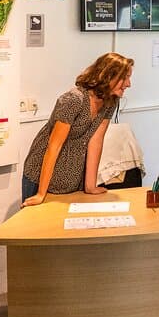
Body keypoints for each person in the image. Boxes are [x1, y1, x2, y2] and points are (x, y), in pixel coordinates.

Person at [20, 52, 133, 206]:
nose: (128, 84)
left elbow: (96, 141)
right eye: (125, 77)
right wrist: (40, 194)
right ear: (108, 76)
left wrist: (90, 186)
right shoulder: (74, 100)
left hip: (72, 177)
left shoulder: (110, 102)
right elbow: (54, 146)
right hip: (40, 177)